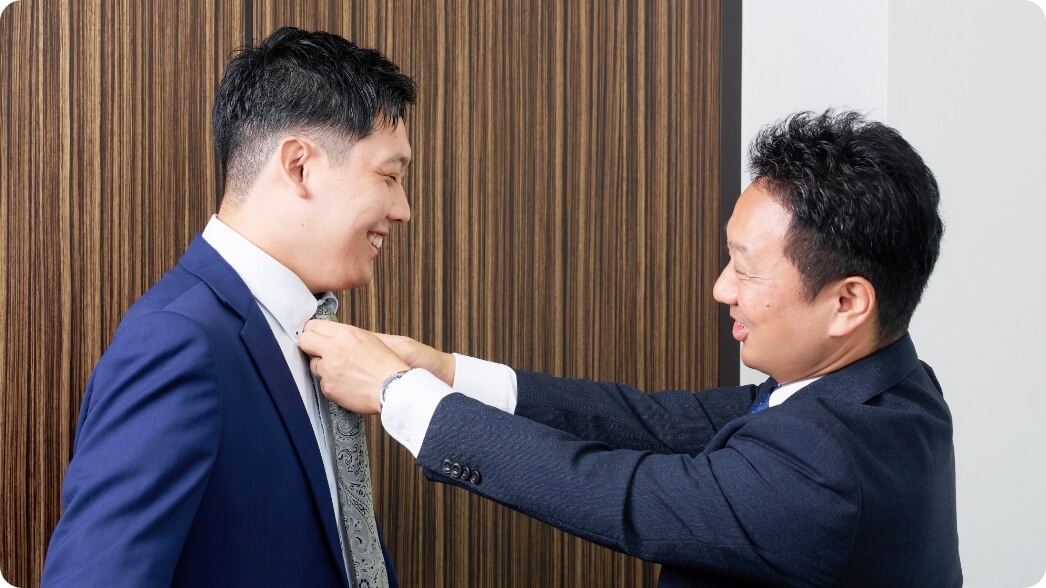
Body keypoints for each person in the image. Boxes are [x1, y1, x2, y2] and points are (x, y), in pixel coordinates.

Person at [300, 111, 962, 587]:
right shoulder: (893, 389)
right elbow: (657, 424)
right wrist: (447, 372)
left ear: (847, 303)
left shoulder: (824, 470)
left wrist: (399, 396)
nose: (721, 288)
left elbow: (616, 492)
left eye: (745, 268)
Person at [42, 27, 414, 587]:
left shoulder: (311, 334)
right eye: (389, 176)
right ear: (299, 166)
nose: (403, 209)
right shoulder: (177, 344)